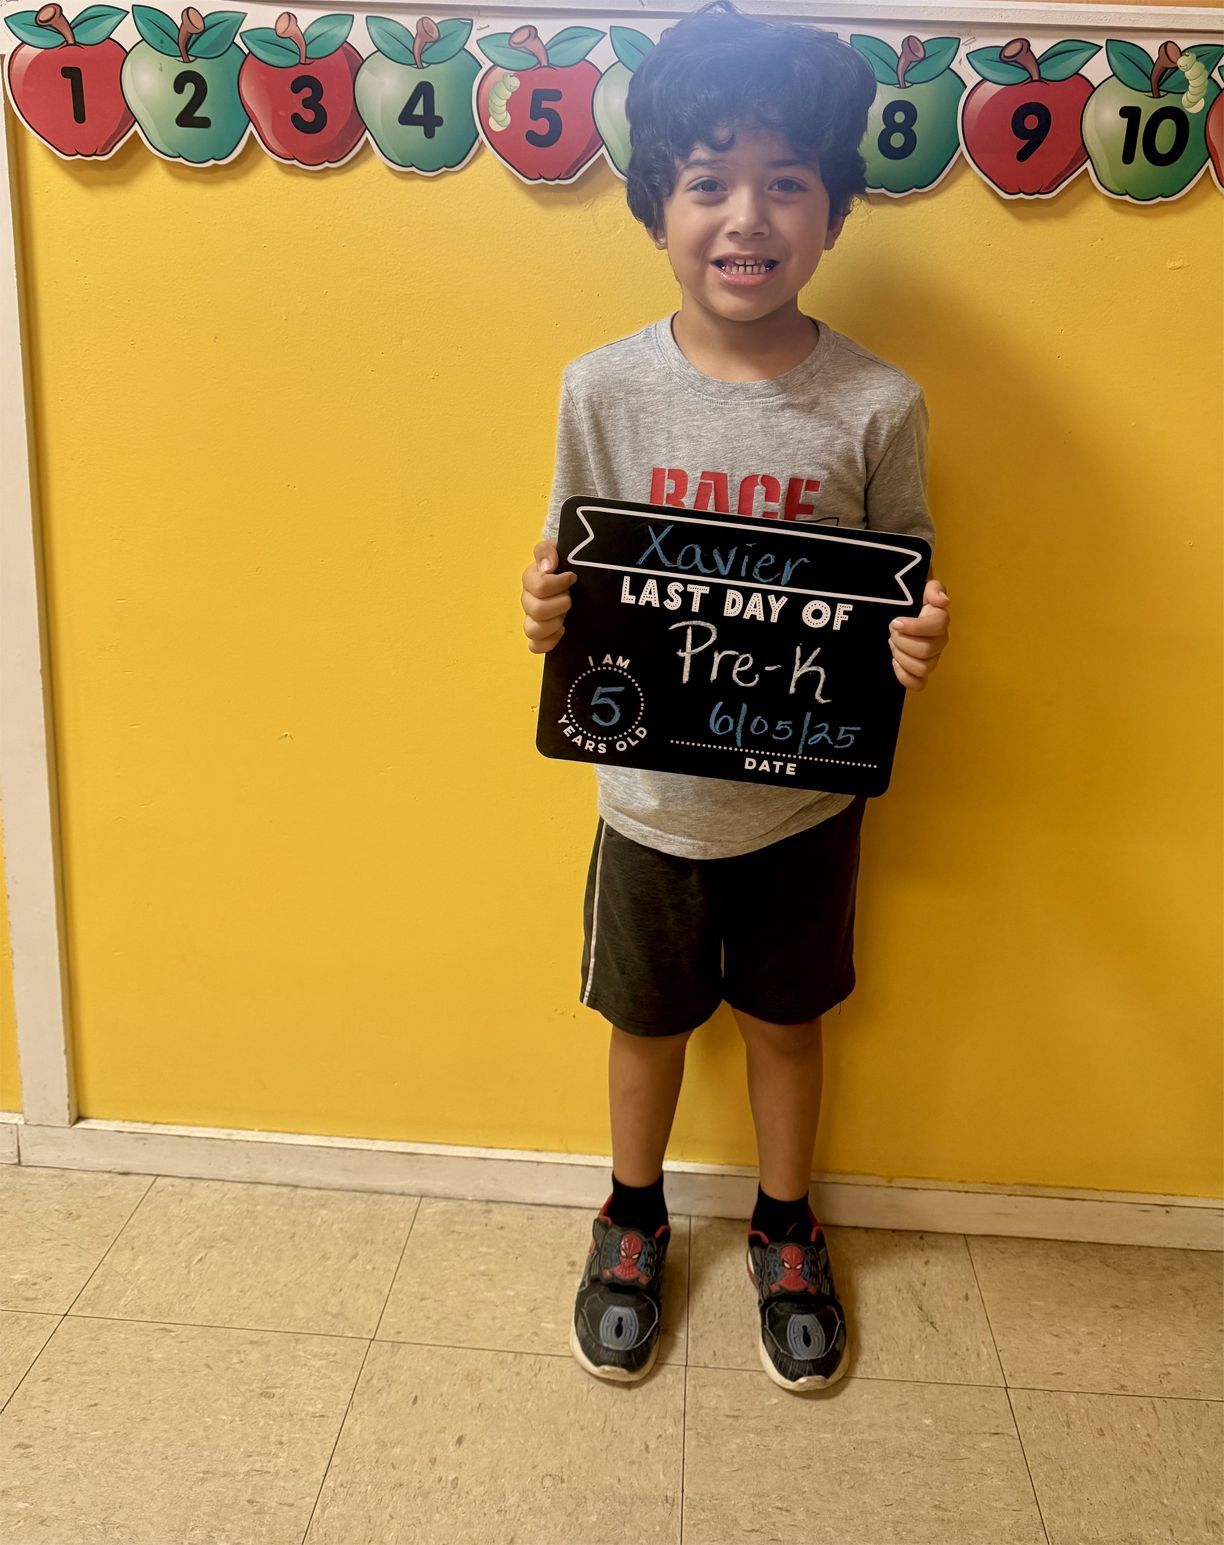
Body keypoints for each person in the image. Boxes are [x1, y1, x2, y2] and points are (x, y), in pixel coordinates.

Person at [519, 0, 950, 1393]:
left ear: (831, 210)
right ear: (658, 205)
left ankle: (783, 1219)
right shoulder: (602, 388)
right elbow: (571, 581)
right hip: (648, 798)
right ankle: (631, 1214)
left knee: (787, 1019)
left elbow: (903, 587)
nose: (745, 214)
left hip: (805, 798)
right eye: (708, 181)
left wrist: (916, 641)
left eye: (784, 181)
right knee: (640, 1022)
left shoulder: (877, 402)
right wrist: (540, 617)